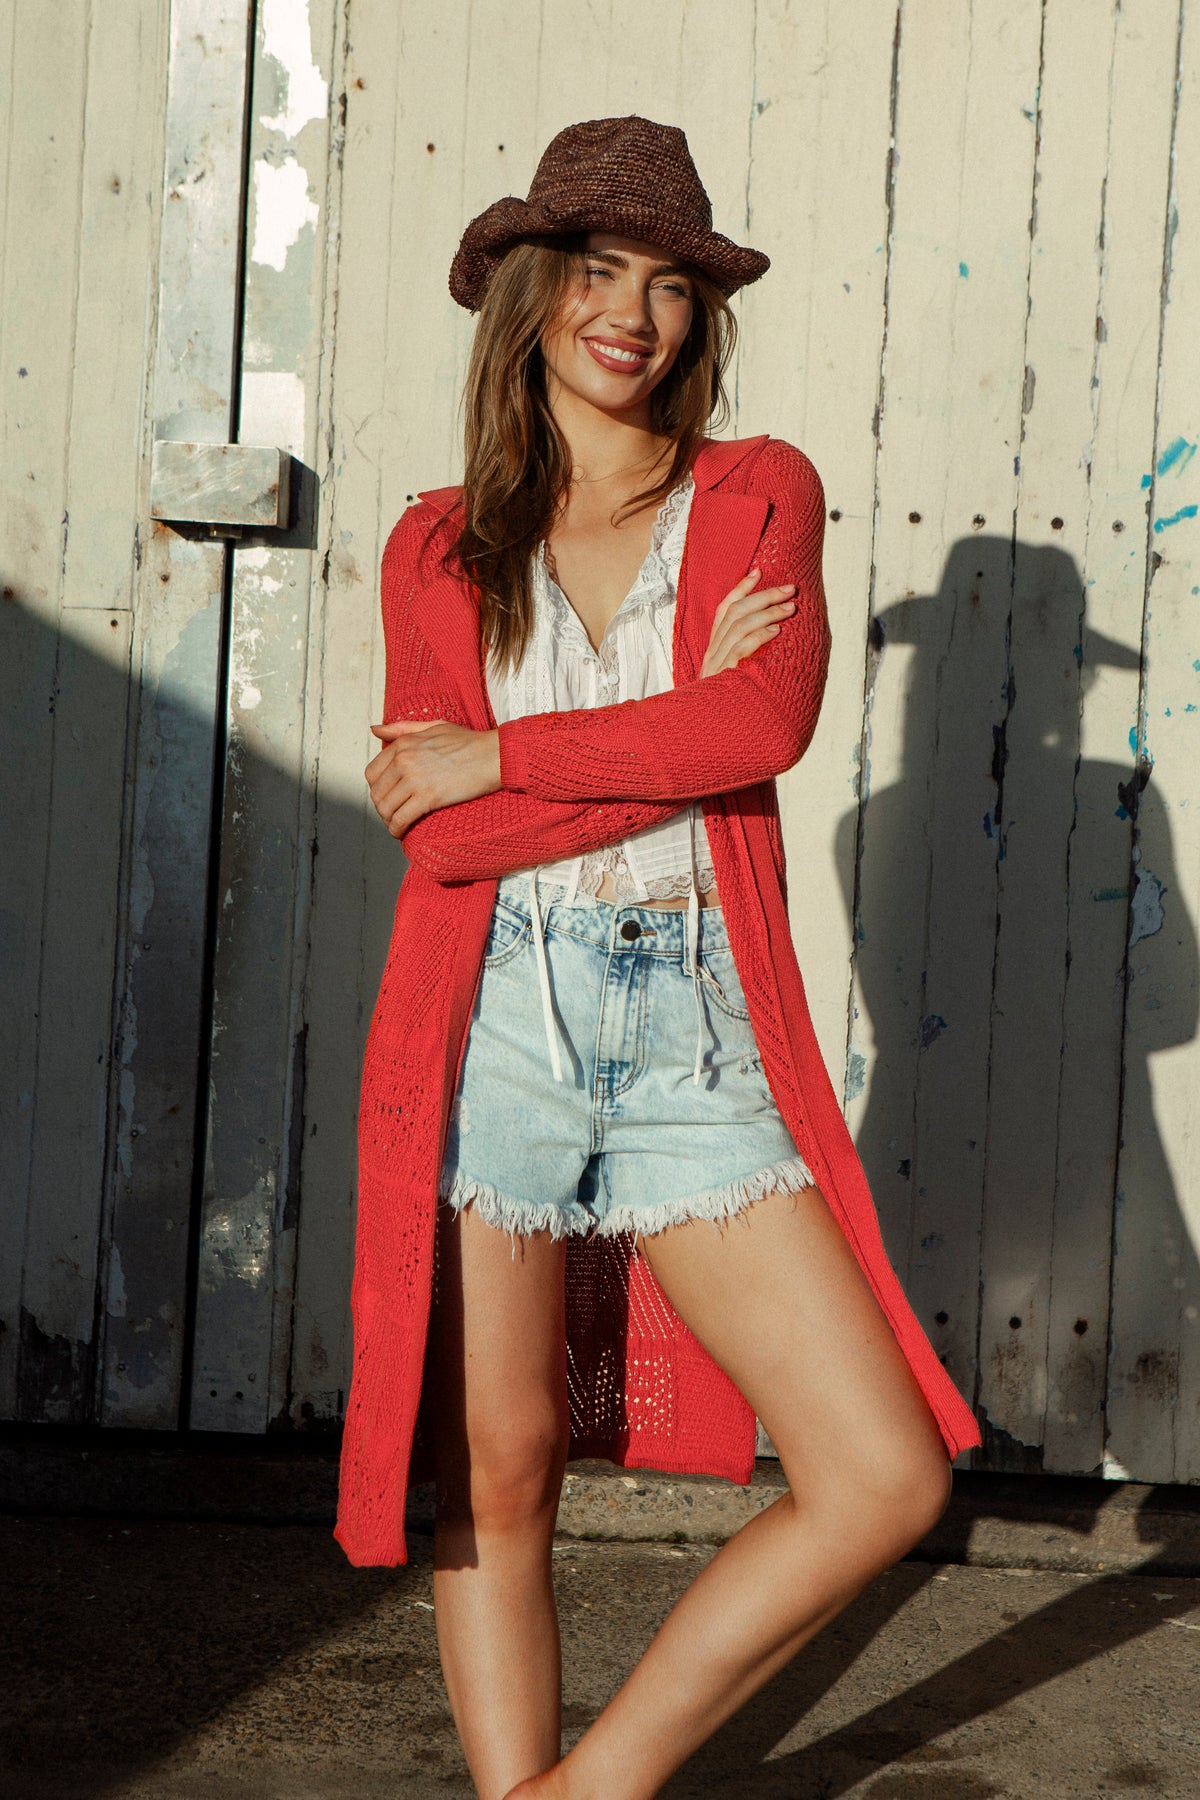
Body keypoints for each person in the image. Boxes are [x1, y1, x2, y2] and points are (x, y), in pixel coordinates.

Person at [336, 116, 981, 1799]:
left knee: (880, 1474)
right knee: (501, 1464)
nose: (634, 311)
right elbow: (441, 839)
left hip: (694, 1031)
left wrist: (505, 754)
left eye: (672, 283)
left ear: (702, 316)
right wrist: (670, 731)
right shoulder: (434, 546)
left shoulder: (758, 493)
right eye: (602, 270)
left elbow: (760, 728)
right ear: (533, 292)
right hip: (495, 1018)